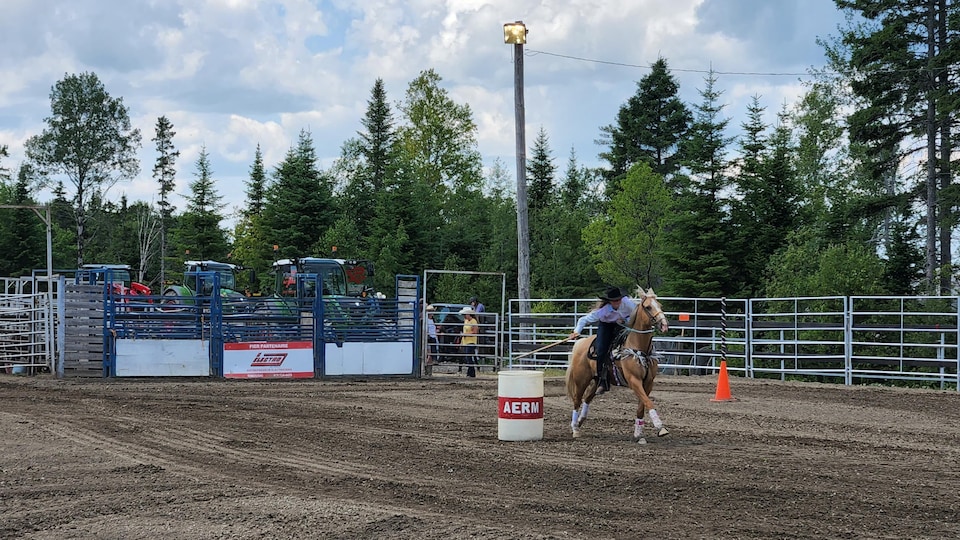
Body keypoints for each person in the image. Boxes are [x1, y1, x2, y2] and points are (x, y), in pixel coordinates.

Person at [569, 287, 638, 394]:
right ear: (610, 301)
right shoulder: (603, 311)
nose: (617, 302)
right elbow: (584, 320)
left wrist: (625, 320)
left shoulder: (628, 304)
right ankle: (602, 379)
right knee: (601, 350)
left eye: (619, 300)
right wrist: (577, 331)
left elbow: (637, 313)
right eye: (615, 301)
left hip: (623, 326)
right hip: (606, 326)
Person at [460, 306, 479, 377]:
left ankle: (471, 373)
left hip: (471, 341)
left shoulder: (473, 321)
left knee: (469, 357)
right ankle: (470, 372)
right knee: (468, 357)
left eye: (465, 314)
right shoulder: (466, 321)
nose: (464, 316)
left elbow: (475, 332)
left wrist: (465, 334)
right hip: (465, 341)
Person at [424, 304, 438, 376]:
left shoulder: (431, 320)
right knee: (429, 354)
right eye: (430, 311)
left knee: (430, 354)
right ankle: (426, 369)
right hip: (430, 338)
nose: (432, 313)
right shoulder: (427, 320)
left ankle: (428, 371)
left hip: (433, 337)